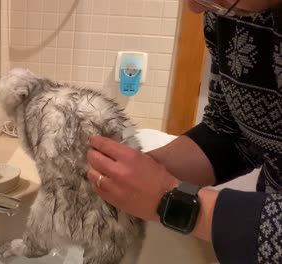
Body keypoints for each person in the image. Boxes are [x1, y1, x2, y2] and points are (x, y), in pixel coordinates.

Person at [87, 0, 282, 263]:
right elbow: (231, 130)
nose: (194, 8)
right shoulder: (225, 9)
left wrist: (171, 201)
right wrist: (135, 174)